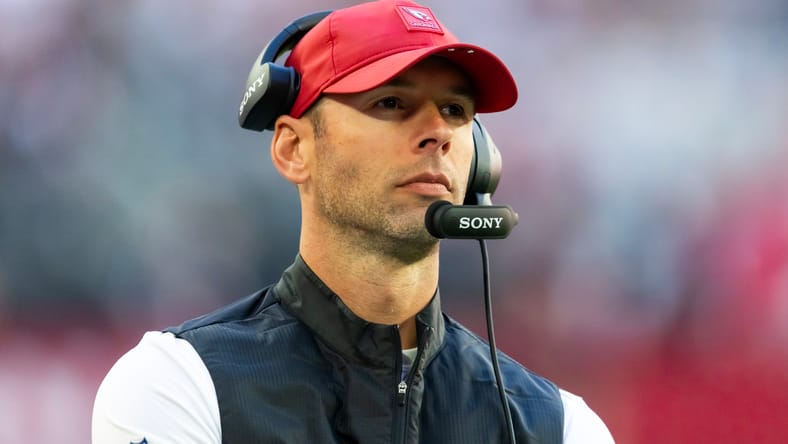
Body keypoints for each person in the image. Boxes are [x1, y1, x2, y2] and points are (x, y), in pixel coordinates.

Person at [92, 1, 615, 443]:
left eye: (456, 110)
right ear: (294, 148)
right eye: (391, 102)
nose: (438, 131)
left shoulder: (560, 425)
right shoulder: (180, 383)